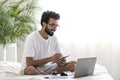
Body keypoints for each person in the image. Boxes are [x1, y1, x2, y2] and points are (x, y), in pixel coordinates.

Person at [21, 10, 76, 75]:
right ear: (44, 24)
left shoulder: (54, 38)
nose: (54, 28)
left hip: (48, 67)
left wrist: (61, 61)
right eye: (52, 25)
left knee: (74, 64)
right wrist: (51, 59)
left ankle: (48, 74)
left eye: (56, 26)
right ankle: (49, 74)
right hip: (32, 68)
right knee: (30, 70)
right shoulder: (31, 38)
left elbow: (58, 57)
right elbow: (29, 63)